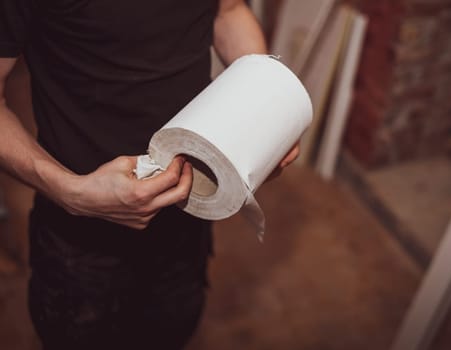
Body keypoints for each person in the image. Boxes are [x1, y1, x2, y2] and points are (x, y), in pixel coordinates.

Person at [0, 0, 299, 349]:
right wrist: (70, 192)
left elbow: (228, 11)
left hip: (189, 209)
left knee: (171, 330)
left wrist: (266, 108)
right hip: (81, 236)